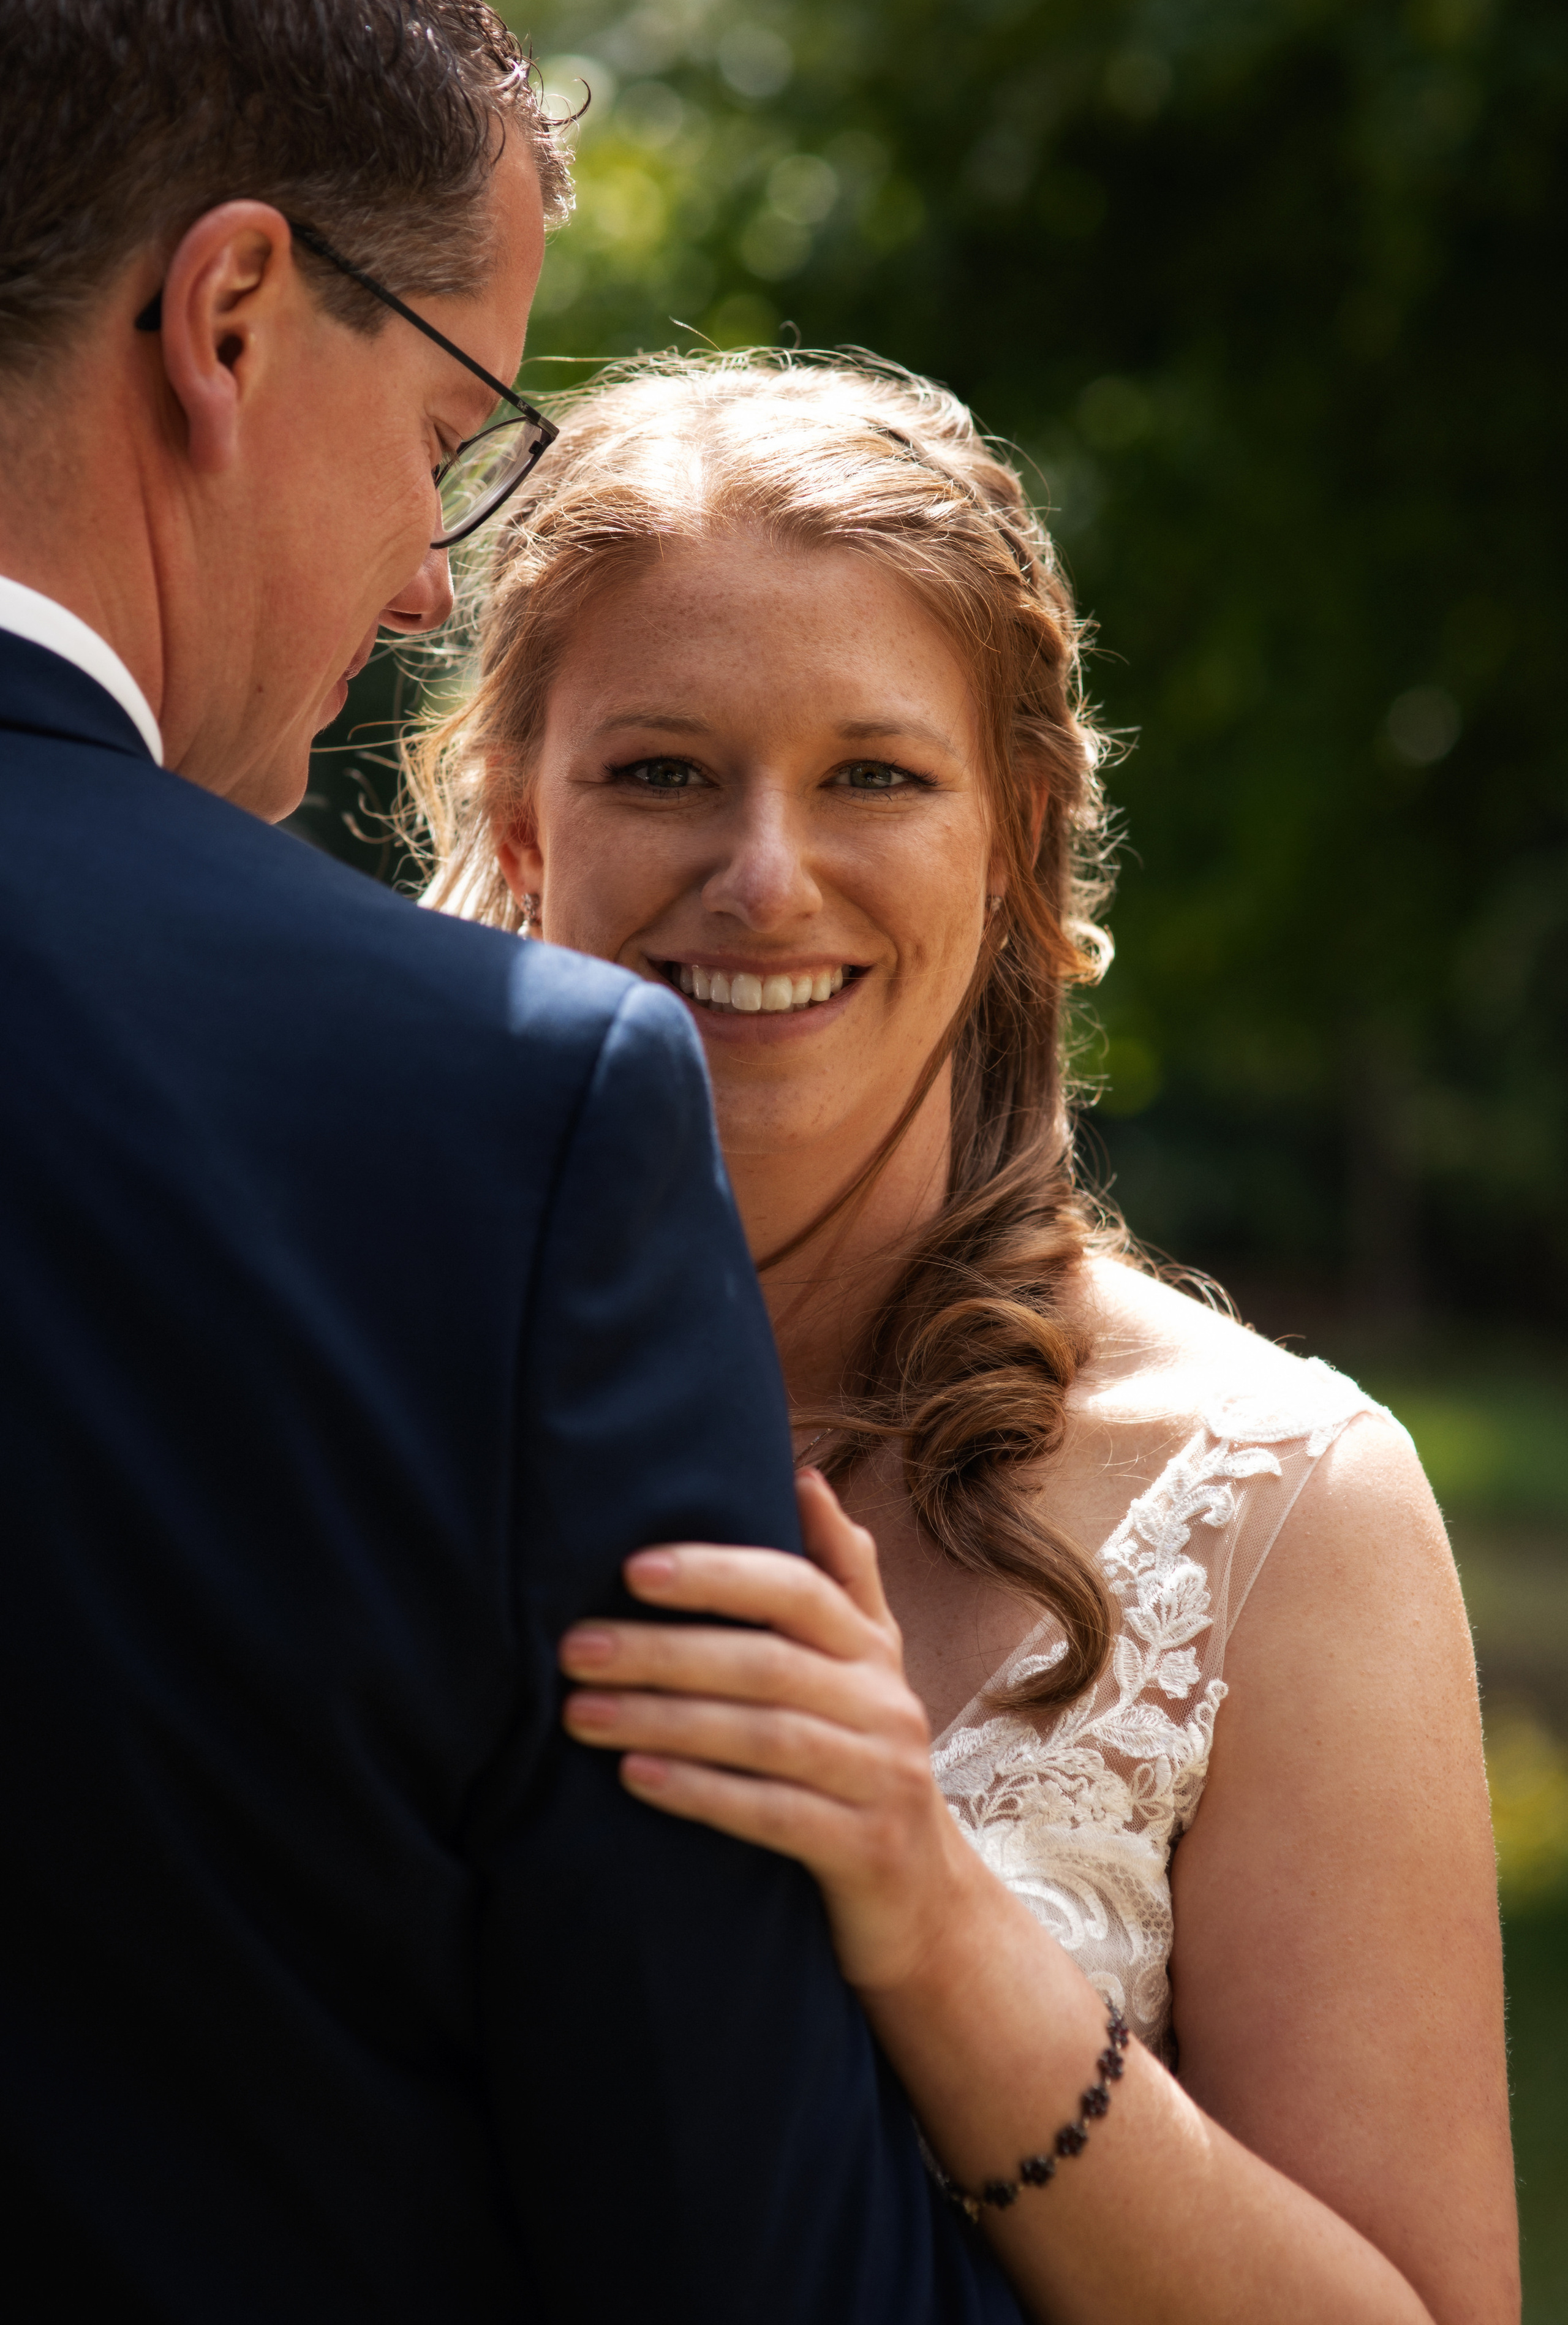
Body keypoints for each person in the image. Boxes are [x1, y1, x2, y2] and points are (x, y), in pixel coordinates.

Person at [0, 0, 1027, 2322]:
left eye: (876, 774)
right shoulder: (499, 1118)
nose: (421, 578)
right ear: (231, 316)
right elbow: (735, 2245)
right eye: (451, 427)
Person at [413, 350, 1521, 2324]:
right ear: (516, 818)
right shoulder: (361, 1394)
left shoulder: (1281, 1505)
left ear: (1013, 840)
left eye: (875, 776)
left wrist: (925, 1907)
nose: (765, 875)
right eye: (662, 771)